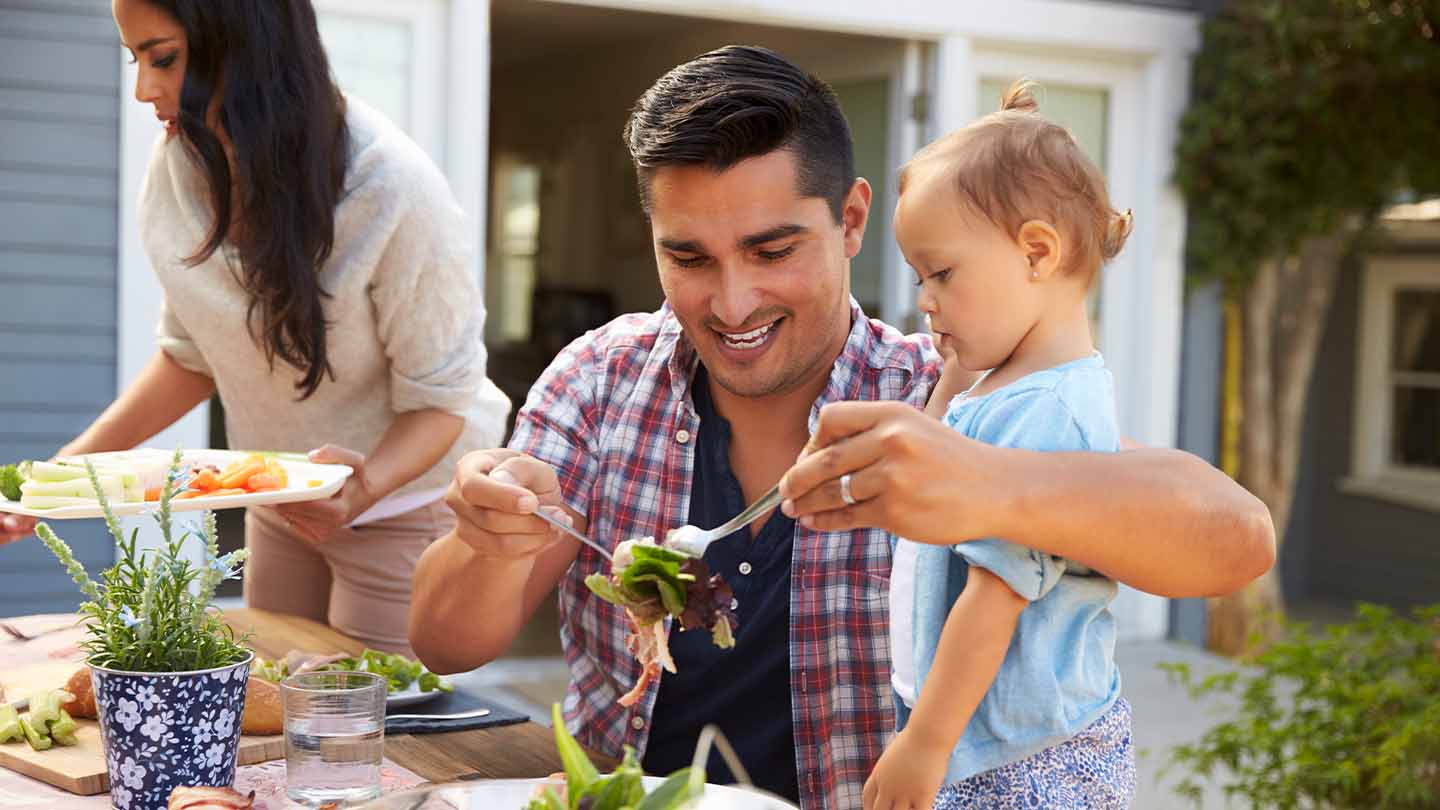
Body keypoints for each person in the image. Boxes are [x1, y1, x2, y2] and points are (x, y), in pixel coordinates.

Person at [410, 46, 1273, 809]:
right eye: (689, 257)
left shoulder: (942, 396)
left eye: (772, 250)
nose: (732, 302)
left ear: (852, 219)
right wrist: (493, 539)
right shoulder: (601, 381)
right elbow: (447, 646)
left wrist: (993, 487)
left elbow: (1235, 540)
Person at [0, 0, 509, 655]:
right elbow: (190, 357)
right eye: (136, 60)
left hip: (403, 505)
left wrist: (359, 493)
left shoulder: (393, 189)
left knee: (370, 731)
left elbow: (442, 401)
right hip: (281, 498)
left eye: (164, 58)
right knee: (267, 716)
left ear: (244, 45)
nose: (142, 89)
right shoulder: (178, 168)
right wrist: (55, 479)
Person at [857, 80, 1137, 810]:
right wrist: (954, 371)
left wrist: (925, 741)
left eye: (942, 273)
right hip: (974, 724)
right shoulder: (999, 386)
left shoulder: (1054, 412)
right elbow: (935, 439)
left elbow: (995, 597)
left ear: (1037, 252)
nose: (924, 298)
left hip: (1029, 752)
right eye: (922, 278)